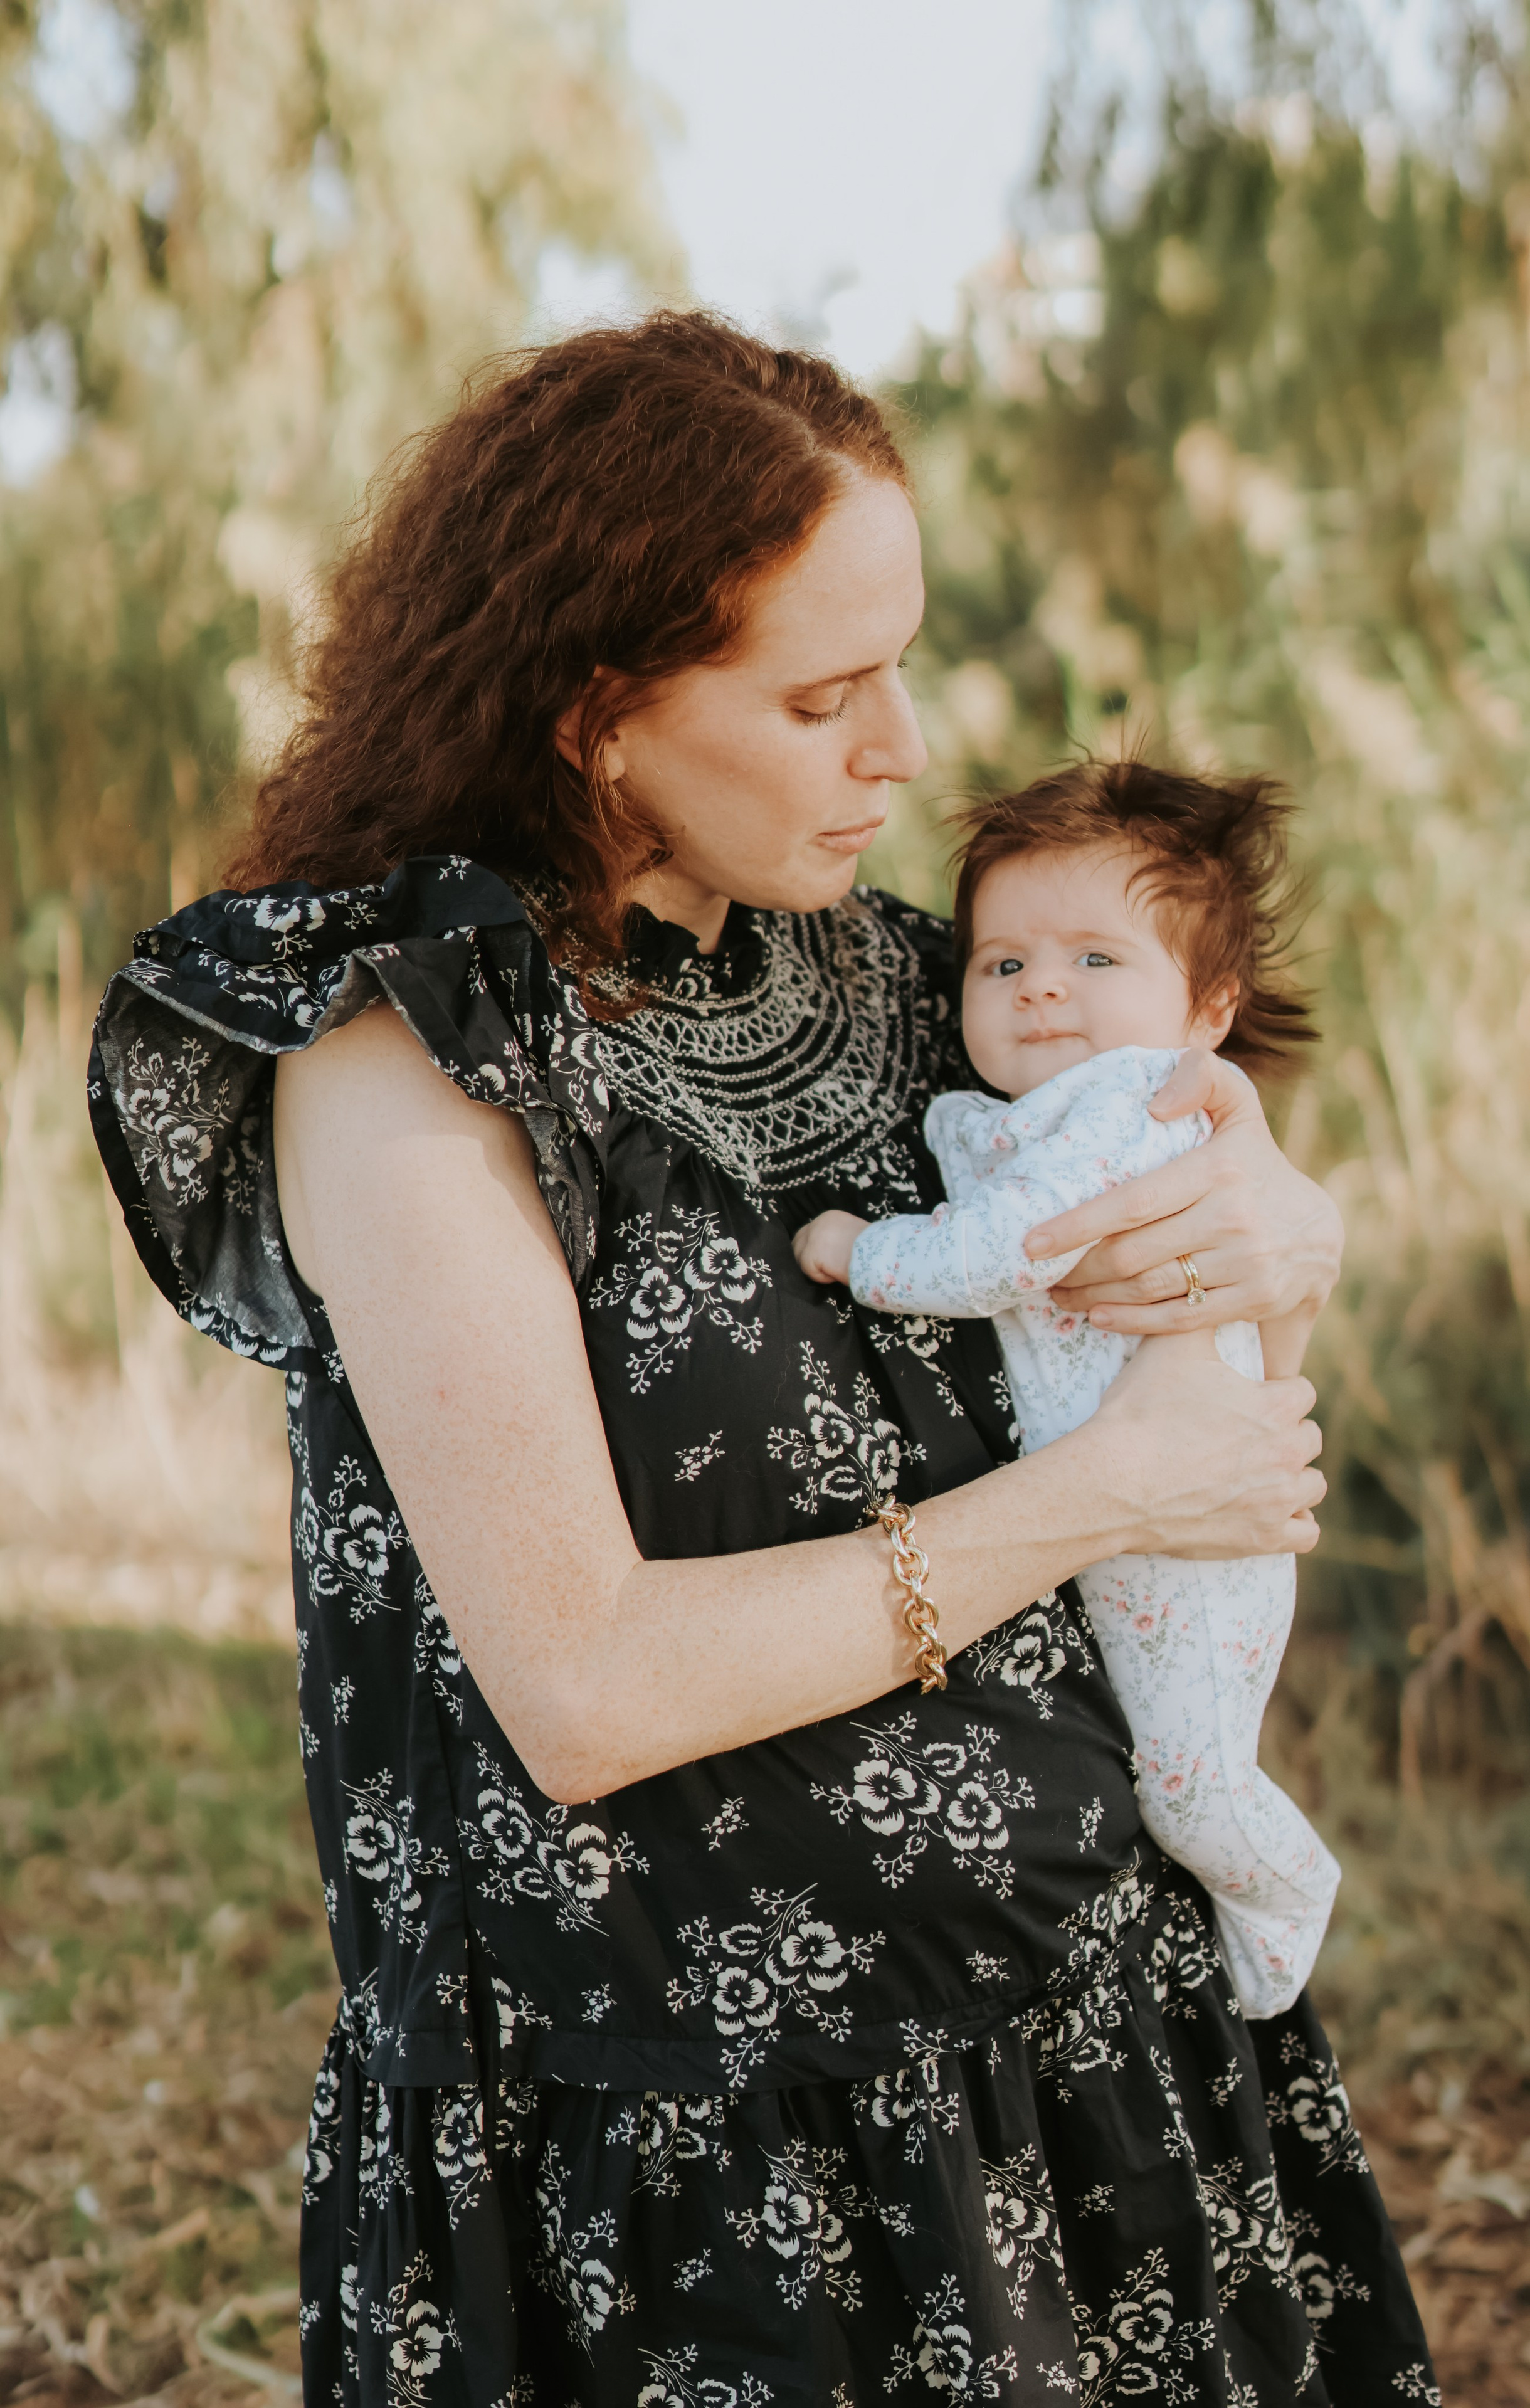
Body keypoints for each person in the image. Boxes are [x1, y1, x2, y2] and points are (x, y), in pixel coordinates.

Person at [89, 314, 1433, 2406]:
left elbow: (1148, 1215)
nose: (903, 747)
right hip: (718, 2178)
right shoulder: (402, 1053)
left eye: (898, 661)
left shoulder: (891, 968)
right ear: (596, 713)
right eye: (823, 696)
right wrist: (1104, 1500)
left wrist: (1286, 1219)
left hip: (1081, 2051)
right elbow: (588, 1686)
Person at [791, 762, 1342, 2020]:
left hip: (1186, 1539)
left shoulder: (1115, 1109)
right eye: (1003, 964)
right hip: (1140, 1502)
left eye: (1096, 960)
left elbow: (1009, 1252)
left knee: (1191, 1772)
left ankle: (1282, 1903)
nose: (1041, 984)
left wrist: (857, 1254)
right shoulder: (1048, 1111)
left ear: (1206, 1007)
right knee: (1163, 1744)